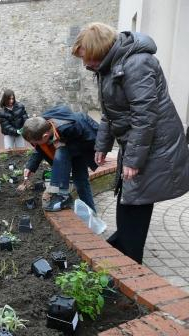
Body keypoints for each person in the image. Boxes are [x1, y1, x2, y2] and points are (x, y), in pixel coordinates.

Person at [72, 22, 189, 264]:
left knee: (136, 200)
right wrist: (101, 146)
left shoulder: (137, 64)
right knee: (128, 197)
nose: (85, 64)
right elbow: (109, 113)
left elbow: (145, 116)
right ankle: (122, 251)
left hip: (156, 145)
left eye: (88, 58)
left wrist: (134, 160)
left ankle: (129, 262)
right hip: (140, 143)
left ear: (100, 50)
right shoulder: (108, 67)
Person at [22, 105, 99, 212]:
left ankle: (65, 197)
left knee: (80, 180)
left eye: (35, 142)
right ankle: (69, 198)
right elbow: (40, 147)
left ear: (45, 136)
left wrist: (63, 146)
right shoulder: (41, 126)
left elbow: (92, 140)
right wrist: (30, 166)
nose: (34, 144)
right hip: (69, 143)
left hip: (84, 143)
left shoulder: (71, 127)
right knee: (62, 150)